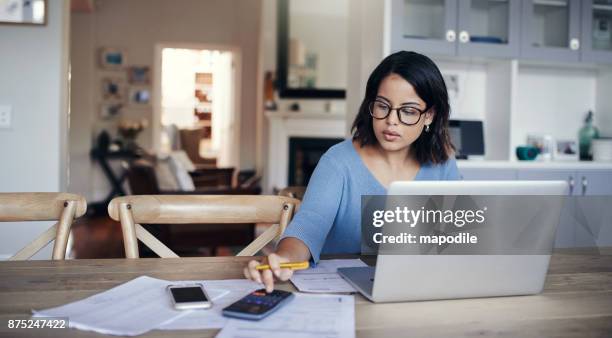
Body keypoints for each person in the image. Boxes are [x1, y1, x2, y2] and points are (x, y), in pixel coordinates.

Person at [244, 51, 461, 291]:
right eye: (383, 106)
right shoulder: (338, 162)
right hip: (343, 295)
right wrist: (284, 259)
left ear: (429, 115)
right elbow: (308, 227)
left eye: (408, 111)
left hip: (415, 290)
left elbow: (457, 240)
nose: (391, 120)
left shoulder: (443, 163)